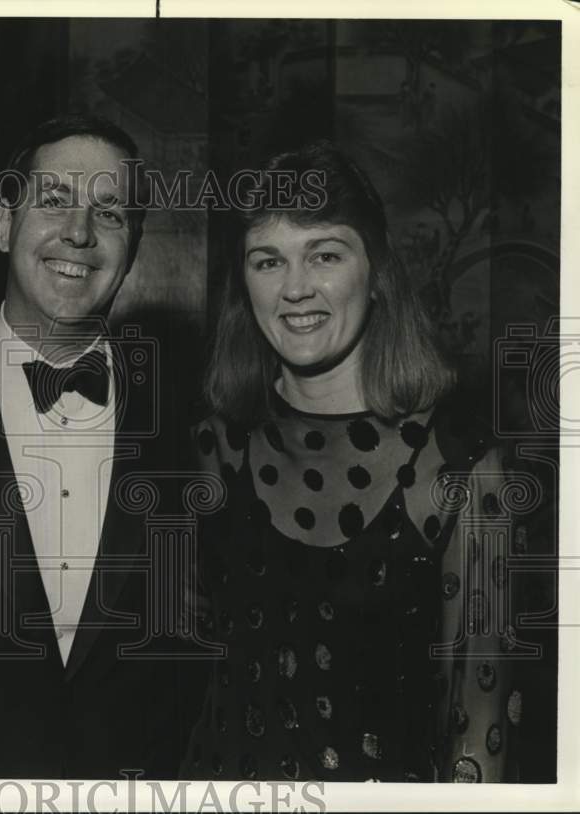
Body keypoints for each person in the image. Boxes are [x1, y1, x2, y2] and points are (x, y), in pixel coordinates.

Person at [182, 142, 522, 782]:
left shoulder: (461, 468)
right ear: (243, 283)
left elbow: (479, 731)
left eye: (326, 255)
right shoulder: (208, 447)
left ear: (377, 275)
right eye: (268, 260)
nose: (296, 288)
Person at [0, 115, 207, 778]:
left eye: (110, 213)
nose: (80, 234)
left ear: (133, 244)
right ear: (5, 225)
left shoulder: (191, 413)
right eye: (55, 202)